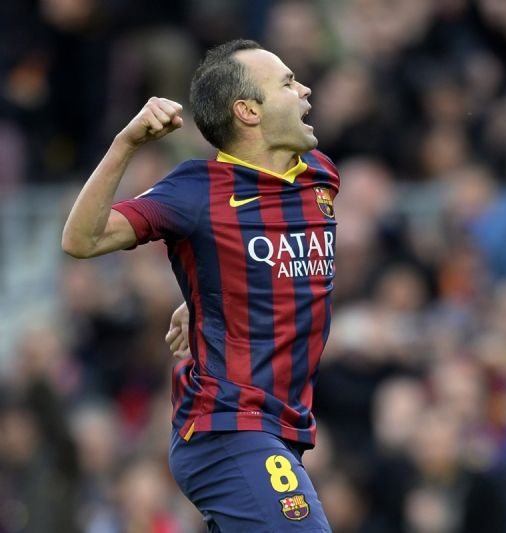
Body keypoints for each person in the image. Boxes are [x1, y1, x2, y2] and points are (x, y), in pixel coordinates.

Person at [62, 39, 338, 532]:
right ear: (248, 111)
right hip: (228, 426)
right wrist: (125, 145)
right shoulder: (196, 191)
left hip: (284, 428)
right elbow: (82, 240)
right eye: (288, 83)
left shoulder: (320, 176)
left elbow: (259, 266)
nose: (305, 90)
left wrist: (204, 297)